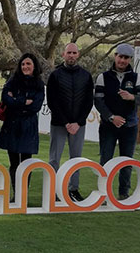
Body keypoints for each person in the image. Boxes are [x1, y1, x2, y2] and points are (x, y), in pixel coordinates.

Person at [95, 43, 140, 200]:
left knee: (126, 161)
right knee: (105, 159)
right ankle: (103, 193)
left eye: (126, 58)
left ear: (130, 59)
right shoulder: (103, 77)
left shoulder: (136, 78)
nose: (122, 60)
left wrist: (132, 97)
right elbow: (98, 102)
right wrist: (112, 117)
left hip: (130, 127)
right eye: (120, 57)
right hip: (108, 126)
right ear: (115, 56)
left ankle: (123, 193)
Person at [46, 43, 94, 202]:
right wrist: (66, 122)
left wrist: (78, 122)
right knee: (54, 159)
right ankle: (52, 190)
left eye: (74, 53)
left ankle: (73, 189)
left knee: (76, 159)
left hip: (78, 125)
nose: (71, 55)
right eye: (69, 53)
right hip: (59, 124)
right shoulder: (55, 75)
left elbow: (88, 102)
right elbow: (52, 101)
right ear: (63, 54)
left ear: (78, 55)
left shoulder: (86, 76)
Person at [0, 53, 44, 201]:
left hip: (28, 127)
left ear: (34, 66)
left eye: (28, 64)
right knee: (14, 163)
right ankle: (16, 194)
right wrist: (23, 101)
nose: (25, 67)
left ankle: (23, 195)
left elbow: (35, 106)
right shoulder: (13, 81)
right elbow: (5, 99)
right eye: (23, 64)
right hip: (12, 125)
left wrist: (16, 100)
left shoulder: (39, 84)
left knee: (26, 163)